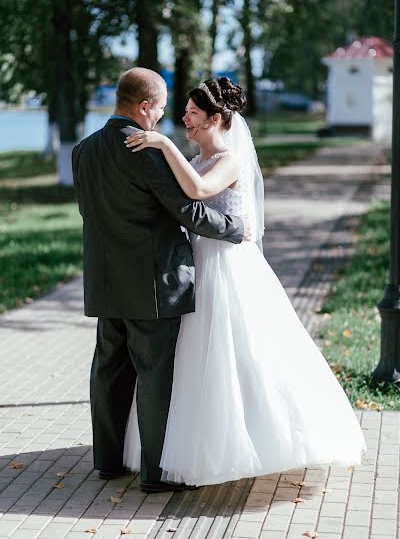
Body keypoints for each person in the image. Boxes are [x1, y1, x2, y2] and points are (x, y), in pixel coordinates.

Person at [123, 76, 366, 486]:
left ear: (217, 118)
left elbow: (199, 191)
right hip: (195, 263)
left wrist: (162, 143)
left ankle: (255, 439)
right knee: (192, 359)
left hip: (228, 264)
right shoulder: (195, 157)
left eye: (194, 113)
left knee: (240, 351)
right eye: (184, 112)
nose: (185, 118)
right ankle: (191, 443)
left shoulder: (228, 161)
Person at [71, 68, 245, 493]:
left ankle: (108, 462)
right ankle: (156, 473)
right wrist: (235, 228)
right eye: (164, 108)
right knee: (154, 374)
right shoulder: (145, 152)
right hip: (153, 282)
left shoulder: (82, 151)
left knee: (108, 370)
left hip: (105, 280)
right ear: (145, 106)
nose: (165, 118)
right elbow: (188, 211)